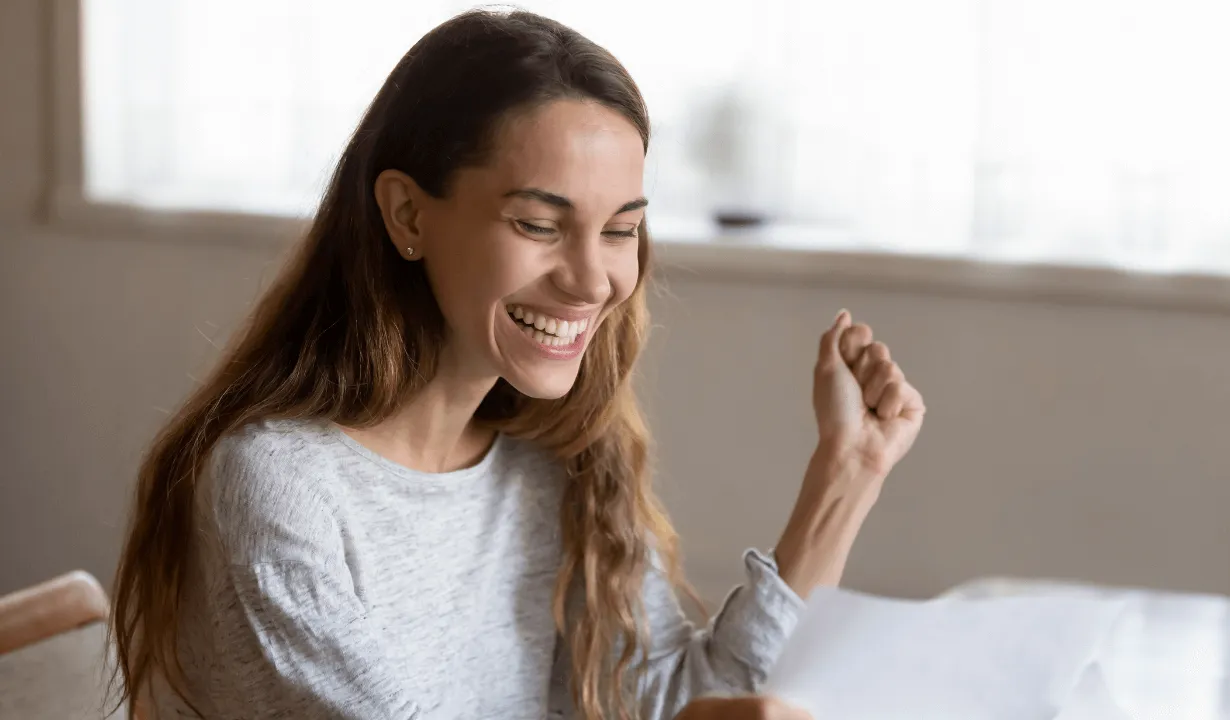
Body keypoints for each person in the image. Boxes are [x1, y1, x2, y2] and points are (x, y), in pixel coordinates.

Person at [109, 8, 925, 720]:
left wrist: (847, 475)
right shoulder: (279, 485)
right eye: (539, 225)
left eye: (620, 230)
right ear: (407, 214)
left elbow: (682, 703)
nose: (593, 280)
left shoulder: (553, 466)